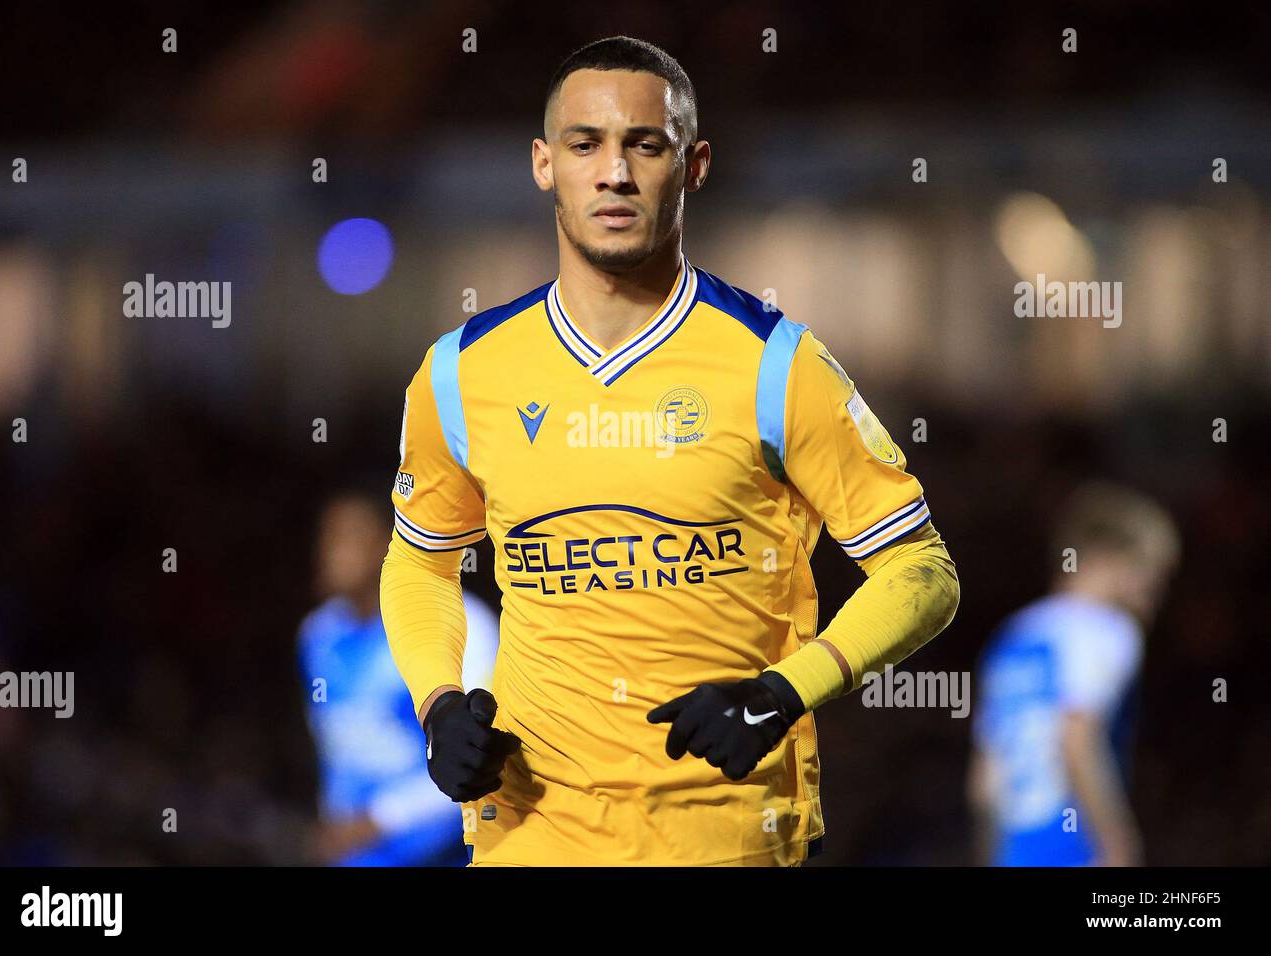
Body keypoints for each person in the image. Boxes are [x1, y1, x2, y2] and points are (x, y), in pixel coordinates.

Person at [380, 36, 960, 866]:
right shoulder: (458, 374)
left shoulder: (777, 364)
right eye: (586, 144)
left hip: (729, 842)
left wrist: (783, 695)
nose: (614, 173)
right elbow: (421, 563)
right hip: (530, 839)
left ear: (693, 165)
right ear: (545, 164)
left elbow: (922, 572)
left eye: (644, 145)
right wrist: (437, 706)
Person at [969, 481, 1180, 866]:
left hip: (1012, 849)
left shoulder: (1015, 634)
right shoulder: (1107, 630)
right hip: (1069, 845)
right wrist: (1117, 842)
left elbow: (984, 781)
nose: (1156, 594)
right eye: (1152, 573)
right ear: (1114, 557)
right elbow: (1077, 737)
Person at [298, 491, 498, 865]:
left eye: (350, 537)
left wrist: (381, 819)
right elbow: (337, 749)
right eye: (327, 539)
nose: (332, 553)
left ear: (387, 545)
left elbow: (478, 755)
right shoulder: (318, 635)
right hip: (357, 855)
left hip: (446, 851)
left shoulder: (465, 625)